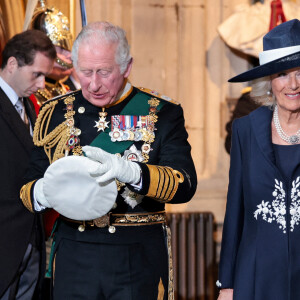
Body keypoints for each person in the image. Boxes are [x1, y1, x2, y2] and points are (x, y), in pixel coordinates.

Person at [20, 21, 197, 299]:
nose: (93, 83)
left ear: (127, 67)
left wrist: (133, 173)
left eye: (104, 72)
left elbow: (184, 184)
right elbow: (27, 186)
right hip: (75, 254)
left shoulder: (161, 112)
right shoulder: (54, 113)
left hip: (136, 256)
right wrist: (43, 192)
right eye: (85, 72)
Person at [217, 19, 300, 300]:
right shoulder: (246, 130)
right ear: (268, 82)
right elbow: (235, 210)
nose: (294, 84)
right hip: (257, 275)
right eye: (283, 74)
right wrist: (227, 285)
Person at [0, 30, 55, 300]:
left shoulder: (30, 109)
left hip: (31, 244)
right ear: (12, 65)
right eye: (37, 74)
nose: (43, 84)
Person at [29, 2, 79, 108]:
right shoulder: (29, 94)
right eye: (61, 49)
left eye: (68, 48)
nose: (69, 55)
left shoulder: (65, 89)